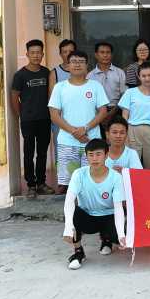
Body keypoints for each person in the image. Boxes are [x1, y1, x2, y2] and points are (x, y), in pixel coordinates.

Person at [48, 50, 109, 193]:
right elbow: (54, 115)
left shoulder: (95, 86)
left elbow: (103, 111)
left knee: (93, 181)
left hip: (92, 141)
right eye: (74, 61)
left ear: (87, 65)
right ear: (68, 65)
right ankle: (70, 207)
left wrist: (85, 128)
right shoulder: (60, 87)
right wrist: (74, 132)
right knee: (68, 185)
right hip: (67, 143)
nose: (77, 65)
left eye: (81, 62)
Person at [62, 138, 126, 270]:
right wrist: (68, 227)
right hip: (88, 217)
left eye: (98, 154)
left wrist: (121, 235)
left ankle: (107, 240)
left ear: (106, 155)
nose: (95, 158)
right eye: (91, 155)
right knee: (74, 212)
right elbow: (69, 201)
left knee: (119, 237)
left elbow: (119, 207)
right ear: (86, 156)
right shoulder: (79, 174)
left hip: (109, 216)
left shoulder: (116, 177)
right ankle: (78, 252)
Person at [10, 39, 54, 198]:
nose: (36, 56)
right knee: (28, 153)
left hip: (45, 118)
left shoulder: (47, 72)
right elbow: (14, 97)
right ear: (27, 54)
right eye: (32, 53)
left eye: (38, 53)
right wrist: (21, 115)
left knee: (42, 153)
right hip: (28, 120)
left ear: (43, 54)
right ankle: (31, 185)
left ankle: (41, 183)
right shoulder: (20, 75)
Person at [118, 63, 150, 169]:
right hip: (132, 130)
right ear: (139, 76)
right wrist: (125, 133)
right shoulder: (130, 92)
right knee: (132, 164)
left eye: (149, 75)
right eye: (143, 76)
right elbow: (125, 115)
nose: (147, 78)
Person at [86, 41, 127, 132]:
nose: (105, 55)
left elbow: (124, 95)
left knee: (116, 138)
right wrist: (101, 114)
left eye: (108, 52)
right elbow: (89, 98)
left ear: (111, 54)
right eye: (102, 52)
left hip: (116, 111)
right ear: (96, 55)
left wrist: (112, 113)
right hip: (96, 113)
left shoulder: (120, 73)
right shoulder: (90, 76)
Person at [48, 39, 77, 165]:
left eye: (71, 51)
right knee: (62, 152)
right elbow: (52, 100)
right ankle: (61, 177)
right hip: (60, 120)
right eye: (65, 52)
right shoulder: (54, 73)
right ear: (60, 54)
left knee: (79, 152)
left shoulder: (83, 71)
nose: (68, 54)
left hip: (80, 119)